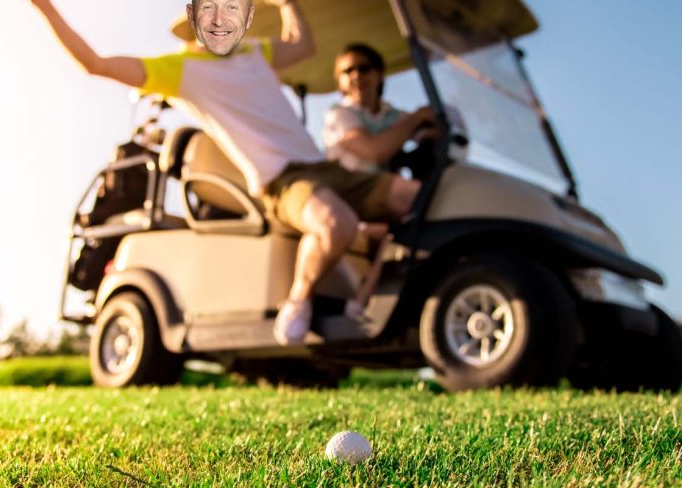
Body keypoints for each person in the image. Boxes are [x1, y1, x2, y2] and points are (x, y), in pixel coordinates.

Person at [30, 0, 422, 345]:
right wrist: (44, 7)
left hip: (324, 167)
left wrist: (287, 5)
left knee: (419, 197)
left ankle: (397, 300)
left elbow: (303, 45)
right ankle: (298, 301)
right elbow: (95, 64)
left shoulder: (253, 51)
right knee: (338, 224)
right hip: (283, 181)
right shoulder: (181, 70)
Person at [323, 43, 438, 175]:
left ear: (380, 74)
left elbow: (428, 133)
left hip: (395, 185)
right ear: (339, 83)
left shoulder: (394, 115)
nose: (356, 75)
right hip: (353, 187)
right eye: (348, 71)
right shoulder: (338, 114)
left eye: (364, 68)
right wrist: (417, 118)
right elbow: (373, 153)